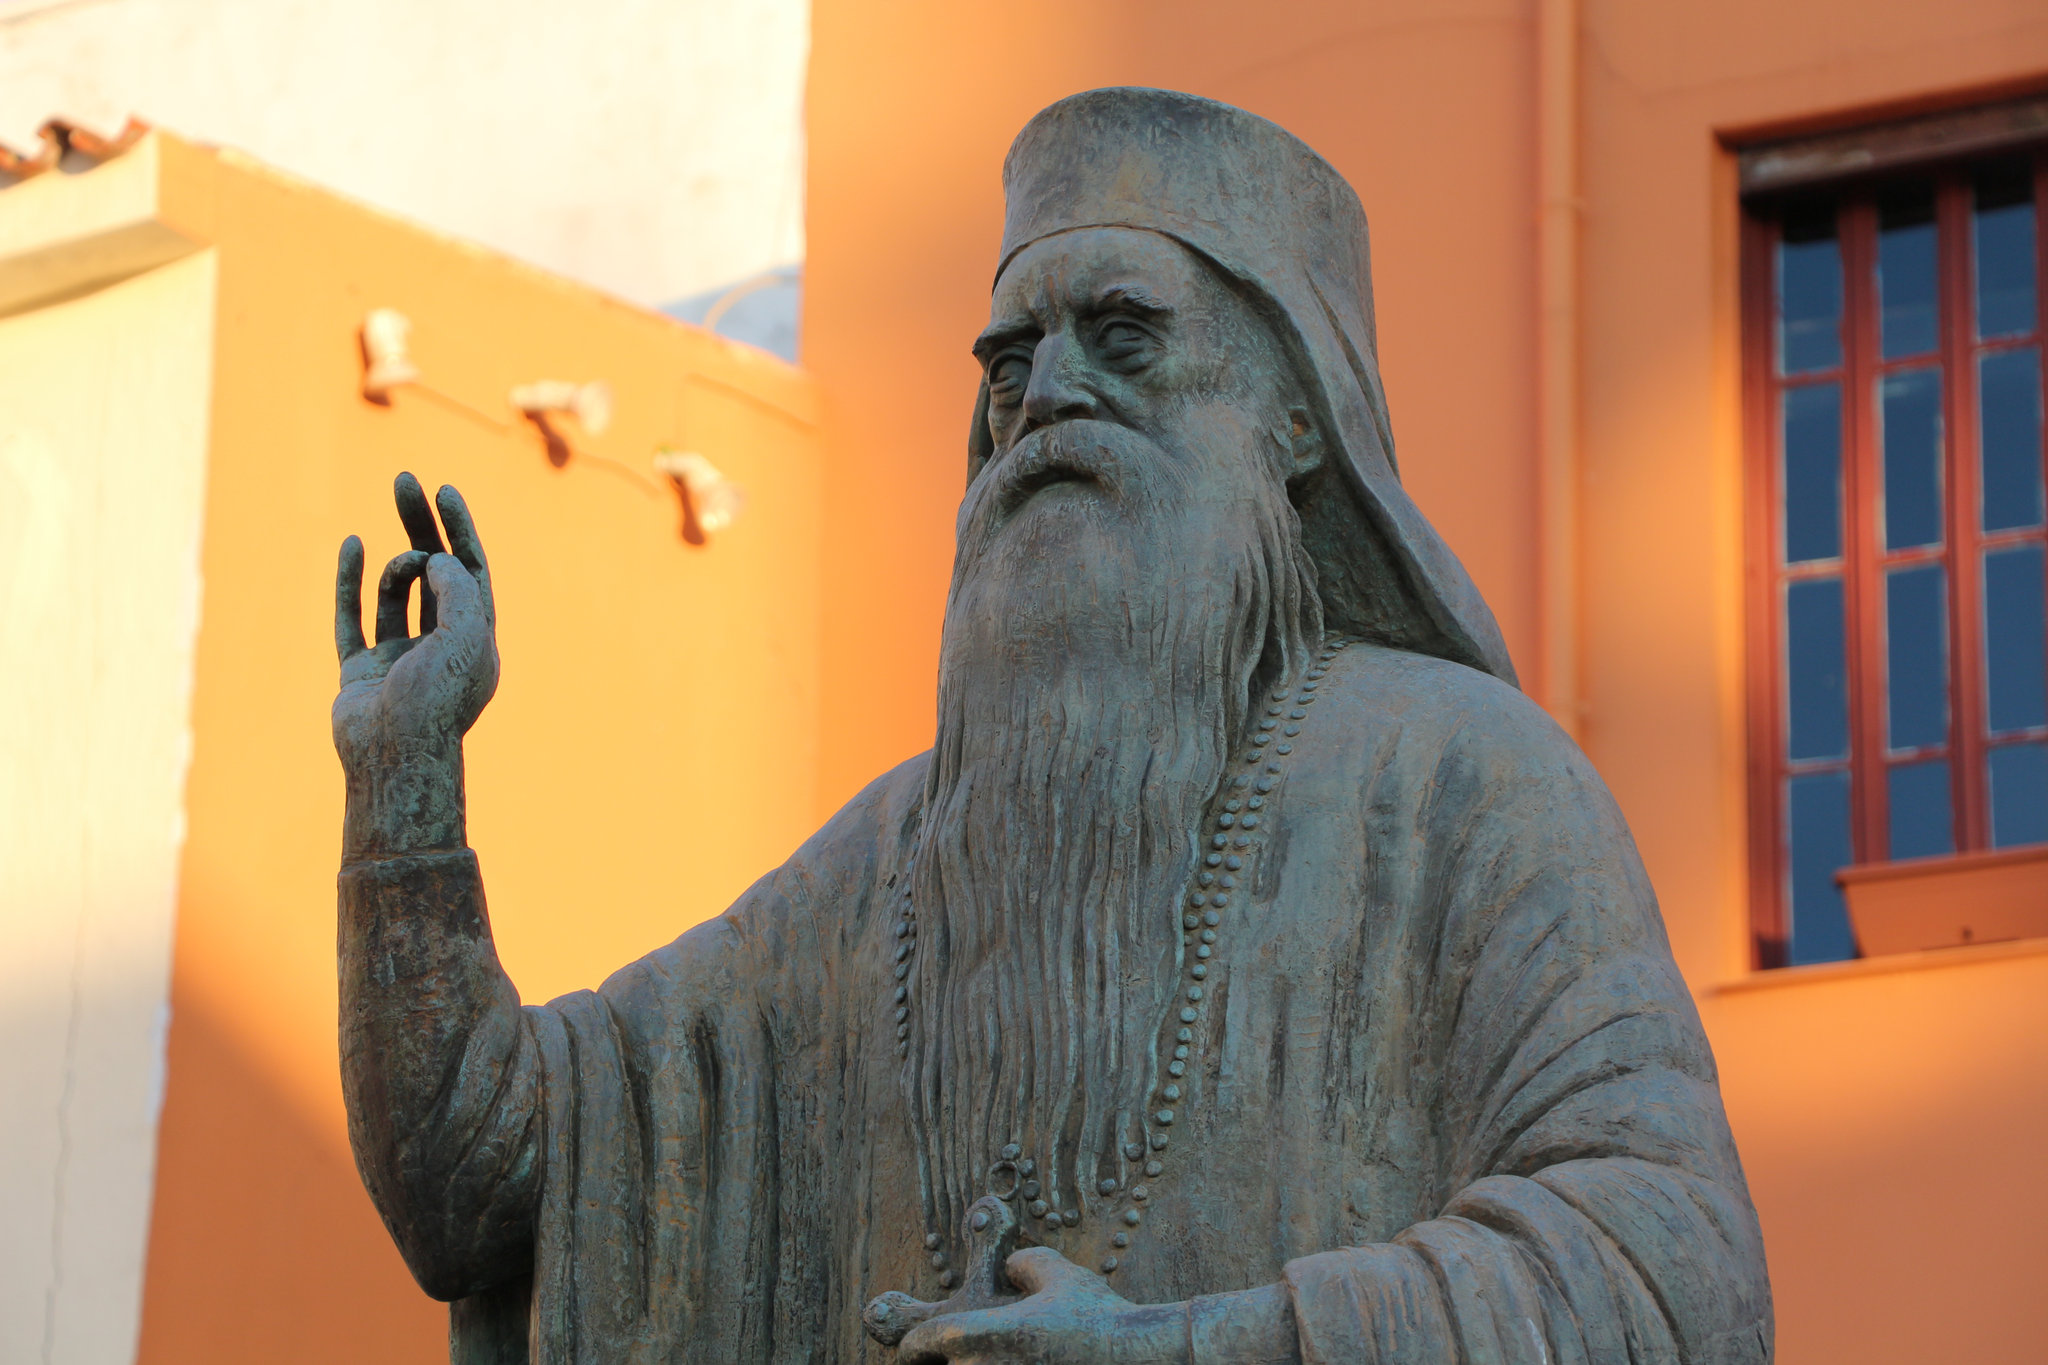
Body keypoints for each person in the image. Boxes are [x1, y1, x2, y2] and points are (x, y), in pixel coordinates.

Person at [334, 87, 1771, 1364]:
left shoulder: (1466, 783)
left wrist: (1189, 1348)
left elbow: (1665, 1271)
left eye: (1126, 337)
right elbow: (486, 1183)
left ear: (1298, 423)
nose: (1049, 396)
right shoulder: (867, 880)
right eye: (1009, 363)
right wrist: (404, 791)